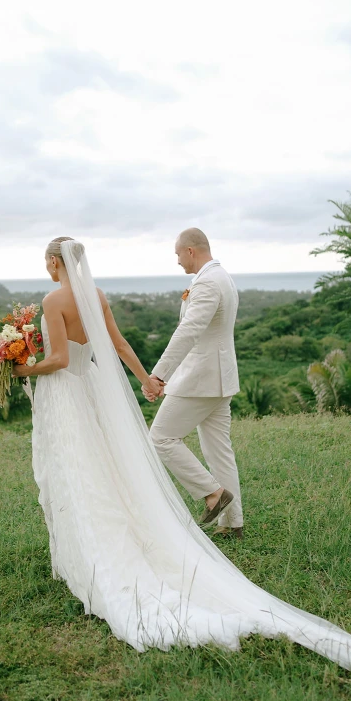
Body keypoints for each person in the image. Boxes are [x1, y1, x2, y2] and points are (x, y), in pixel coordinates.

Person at [12, 236, 351, 680]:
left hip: (77, 392)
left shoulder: (54, 300)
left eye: (47, 262)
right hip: (113, 386)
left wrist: (23, 368)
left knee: (88, 465)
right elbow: (120, 345)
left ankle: (164, 517)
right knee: (130, 462)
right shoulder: (98, 295)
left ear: (54, 262)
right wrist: (145, 378)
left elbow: (61, 358)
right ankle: (228, 517)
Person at [145, 228, 243, 538]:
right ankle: (233, 523)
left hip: (201, 379)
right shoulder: (222, 277)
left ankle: (213, 494)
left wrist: (160, 374)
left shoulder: (208, 282)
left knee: (160, 438)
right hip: (219, 378)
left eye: (178, 254)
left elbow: (189, 331)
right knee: (219, 452)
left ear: (190, 251)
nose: (177, 261)